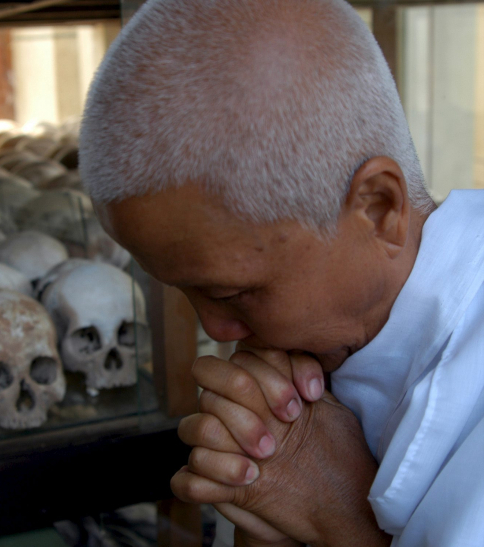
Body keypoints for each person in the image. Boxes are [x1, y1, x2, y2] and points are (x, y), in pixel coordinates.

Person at [79, 0, 484, 545]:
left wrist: (336, 518)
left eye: (234, 293)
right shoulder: (304, 360)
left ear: (379, 208)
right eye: (184, 293)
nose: (216, 330)